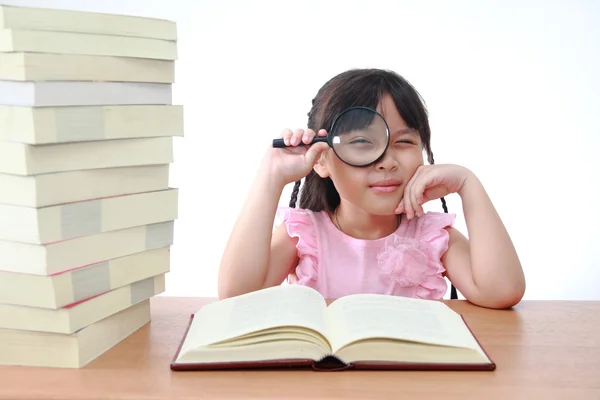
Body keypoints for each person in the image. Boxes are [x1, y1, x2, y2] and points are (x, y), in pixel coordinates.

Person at [218, 68, 525, 309]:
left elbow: (501, 291)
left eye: (404, 142)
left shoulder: (430, 235)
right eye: (363, 143)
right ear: (321, 160)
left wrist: (469, 185)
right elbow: (236, 296)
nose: (388, 162)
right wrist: (270, 177)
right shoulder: (305, 234)